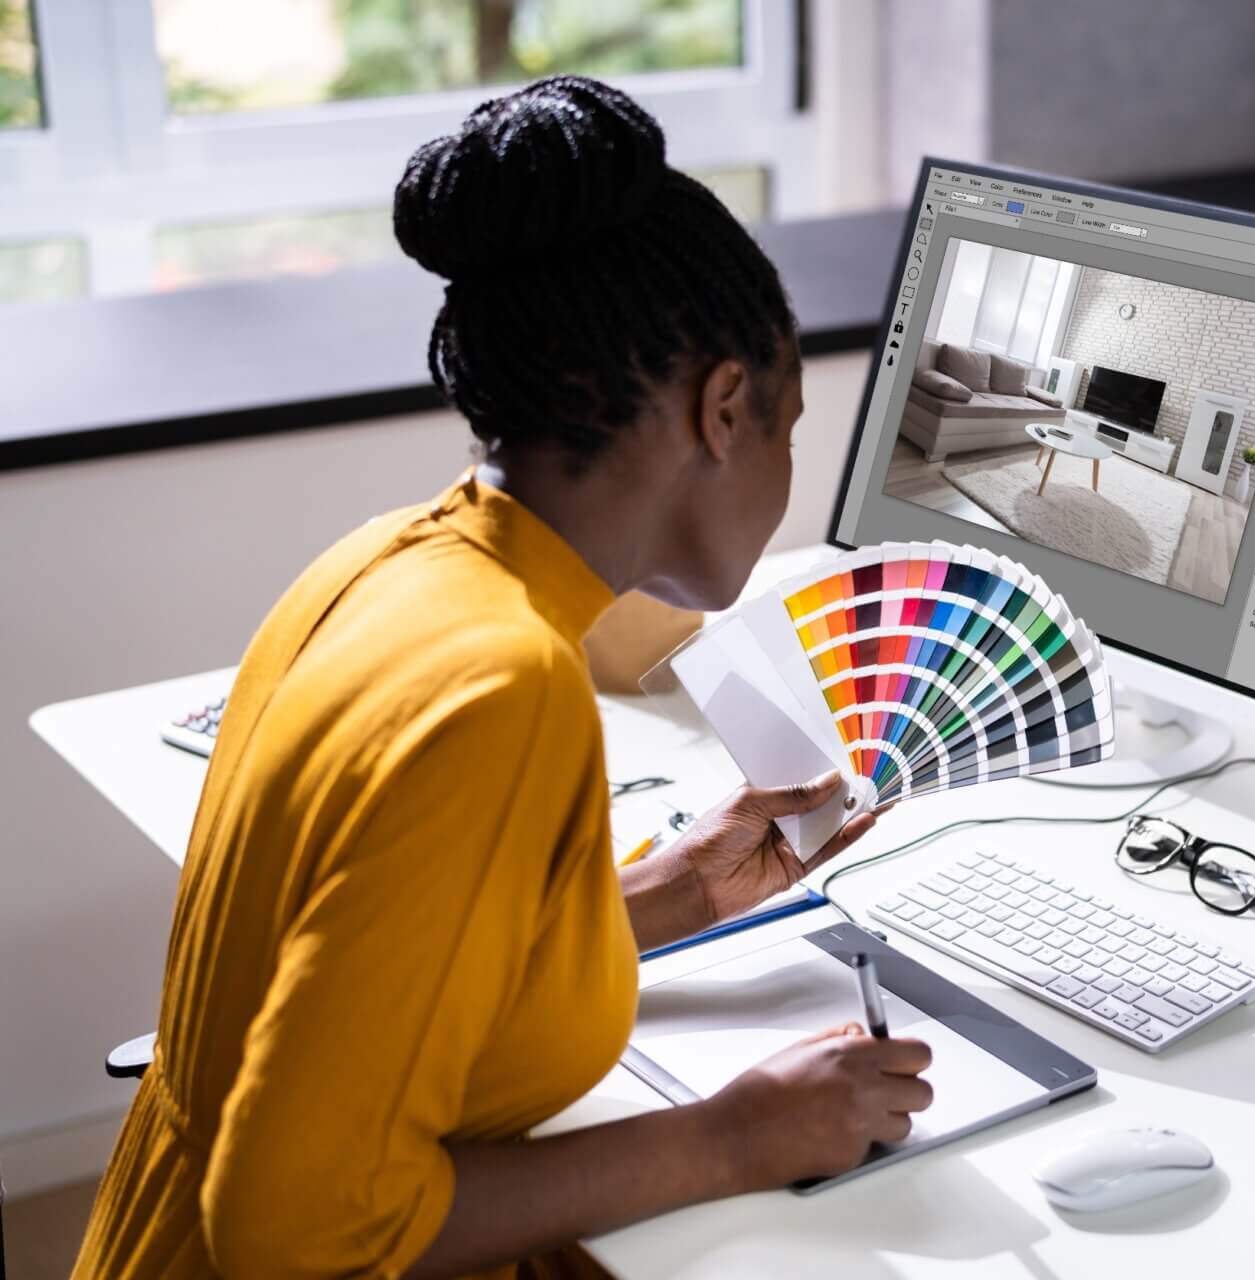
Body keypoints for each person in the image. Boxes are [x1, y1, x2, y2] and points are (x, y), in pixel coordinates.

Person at [73, 76, 933, 1279]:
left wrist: (658, 899)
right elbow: (295, 1231)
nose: (785, 456)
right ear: (725, 409)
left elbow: (371, 974)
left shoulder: (385, 559)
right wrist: (736, 1135)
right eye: (789, 422)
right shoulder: (507, 689)